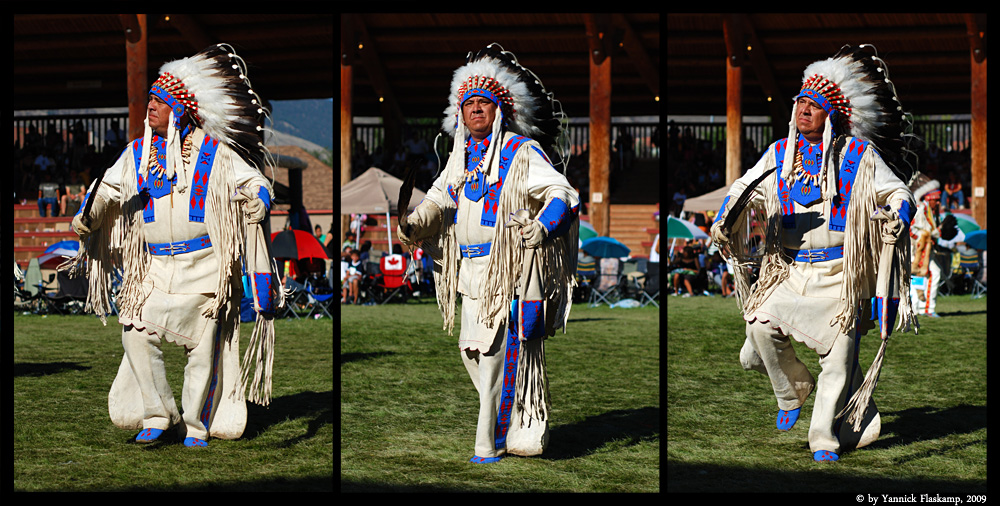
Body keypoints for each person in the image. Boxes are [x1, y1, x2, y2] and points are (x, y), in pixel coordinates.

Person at [64, 43, 282, 448]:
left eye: (158, 101)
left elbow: (253, 180)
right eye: (148, 99)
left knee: (202, 353)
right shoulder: (137, 154)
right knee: (134, 334)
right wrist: (87, 217)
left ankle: (195, 426)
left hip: (205, 269)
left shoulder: (215, 153)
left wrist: (259, 197)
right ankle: (158, 414)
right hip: (154, 271)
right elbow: (107, 189)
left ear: (178, 110)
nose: (150, 106)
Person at [710, 44, 918, 462]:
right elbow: (741, 191)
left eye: (815, 105)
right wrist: (723, 219)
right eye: (801, 103)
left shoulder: (858, 156)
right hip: (787, 270)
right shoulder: (777, 155)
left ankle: (822, 437)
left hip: (841, 276)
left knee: (839, 360)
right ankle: (792, 391)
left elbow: (899, 191)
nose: (804, 110)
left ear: (831, 115)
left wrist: (898, 214)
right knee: (758, 328)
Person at [396, 43, 578, 464]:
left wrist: (542, 225)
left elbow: (562, 193)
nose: (476, 108)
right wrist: (411, 225)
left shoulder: (522, 152)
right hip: (470, 274)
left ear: (500, 110)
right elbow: (437, 203)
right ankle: (521, 414)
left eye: (484, 103)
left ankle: (487, 443)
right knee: (472, 351)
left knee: (497, 355)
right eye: (469, 103)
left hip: (510, 269)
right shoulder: (457, 161)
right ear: (459, 114)